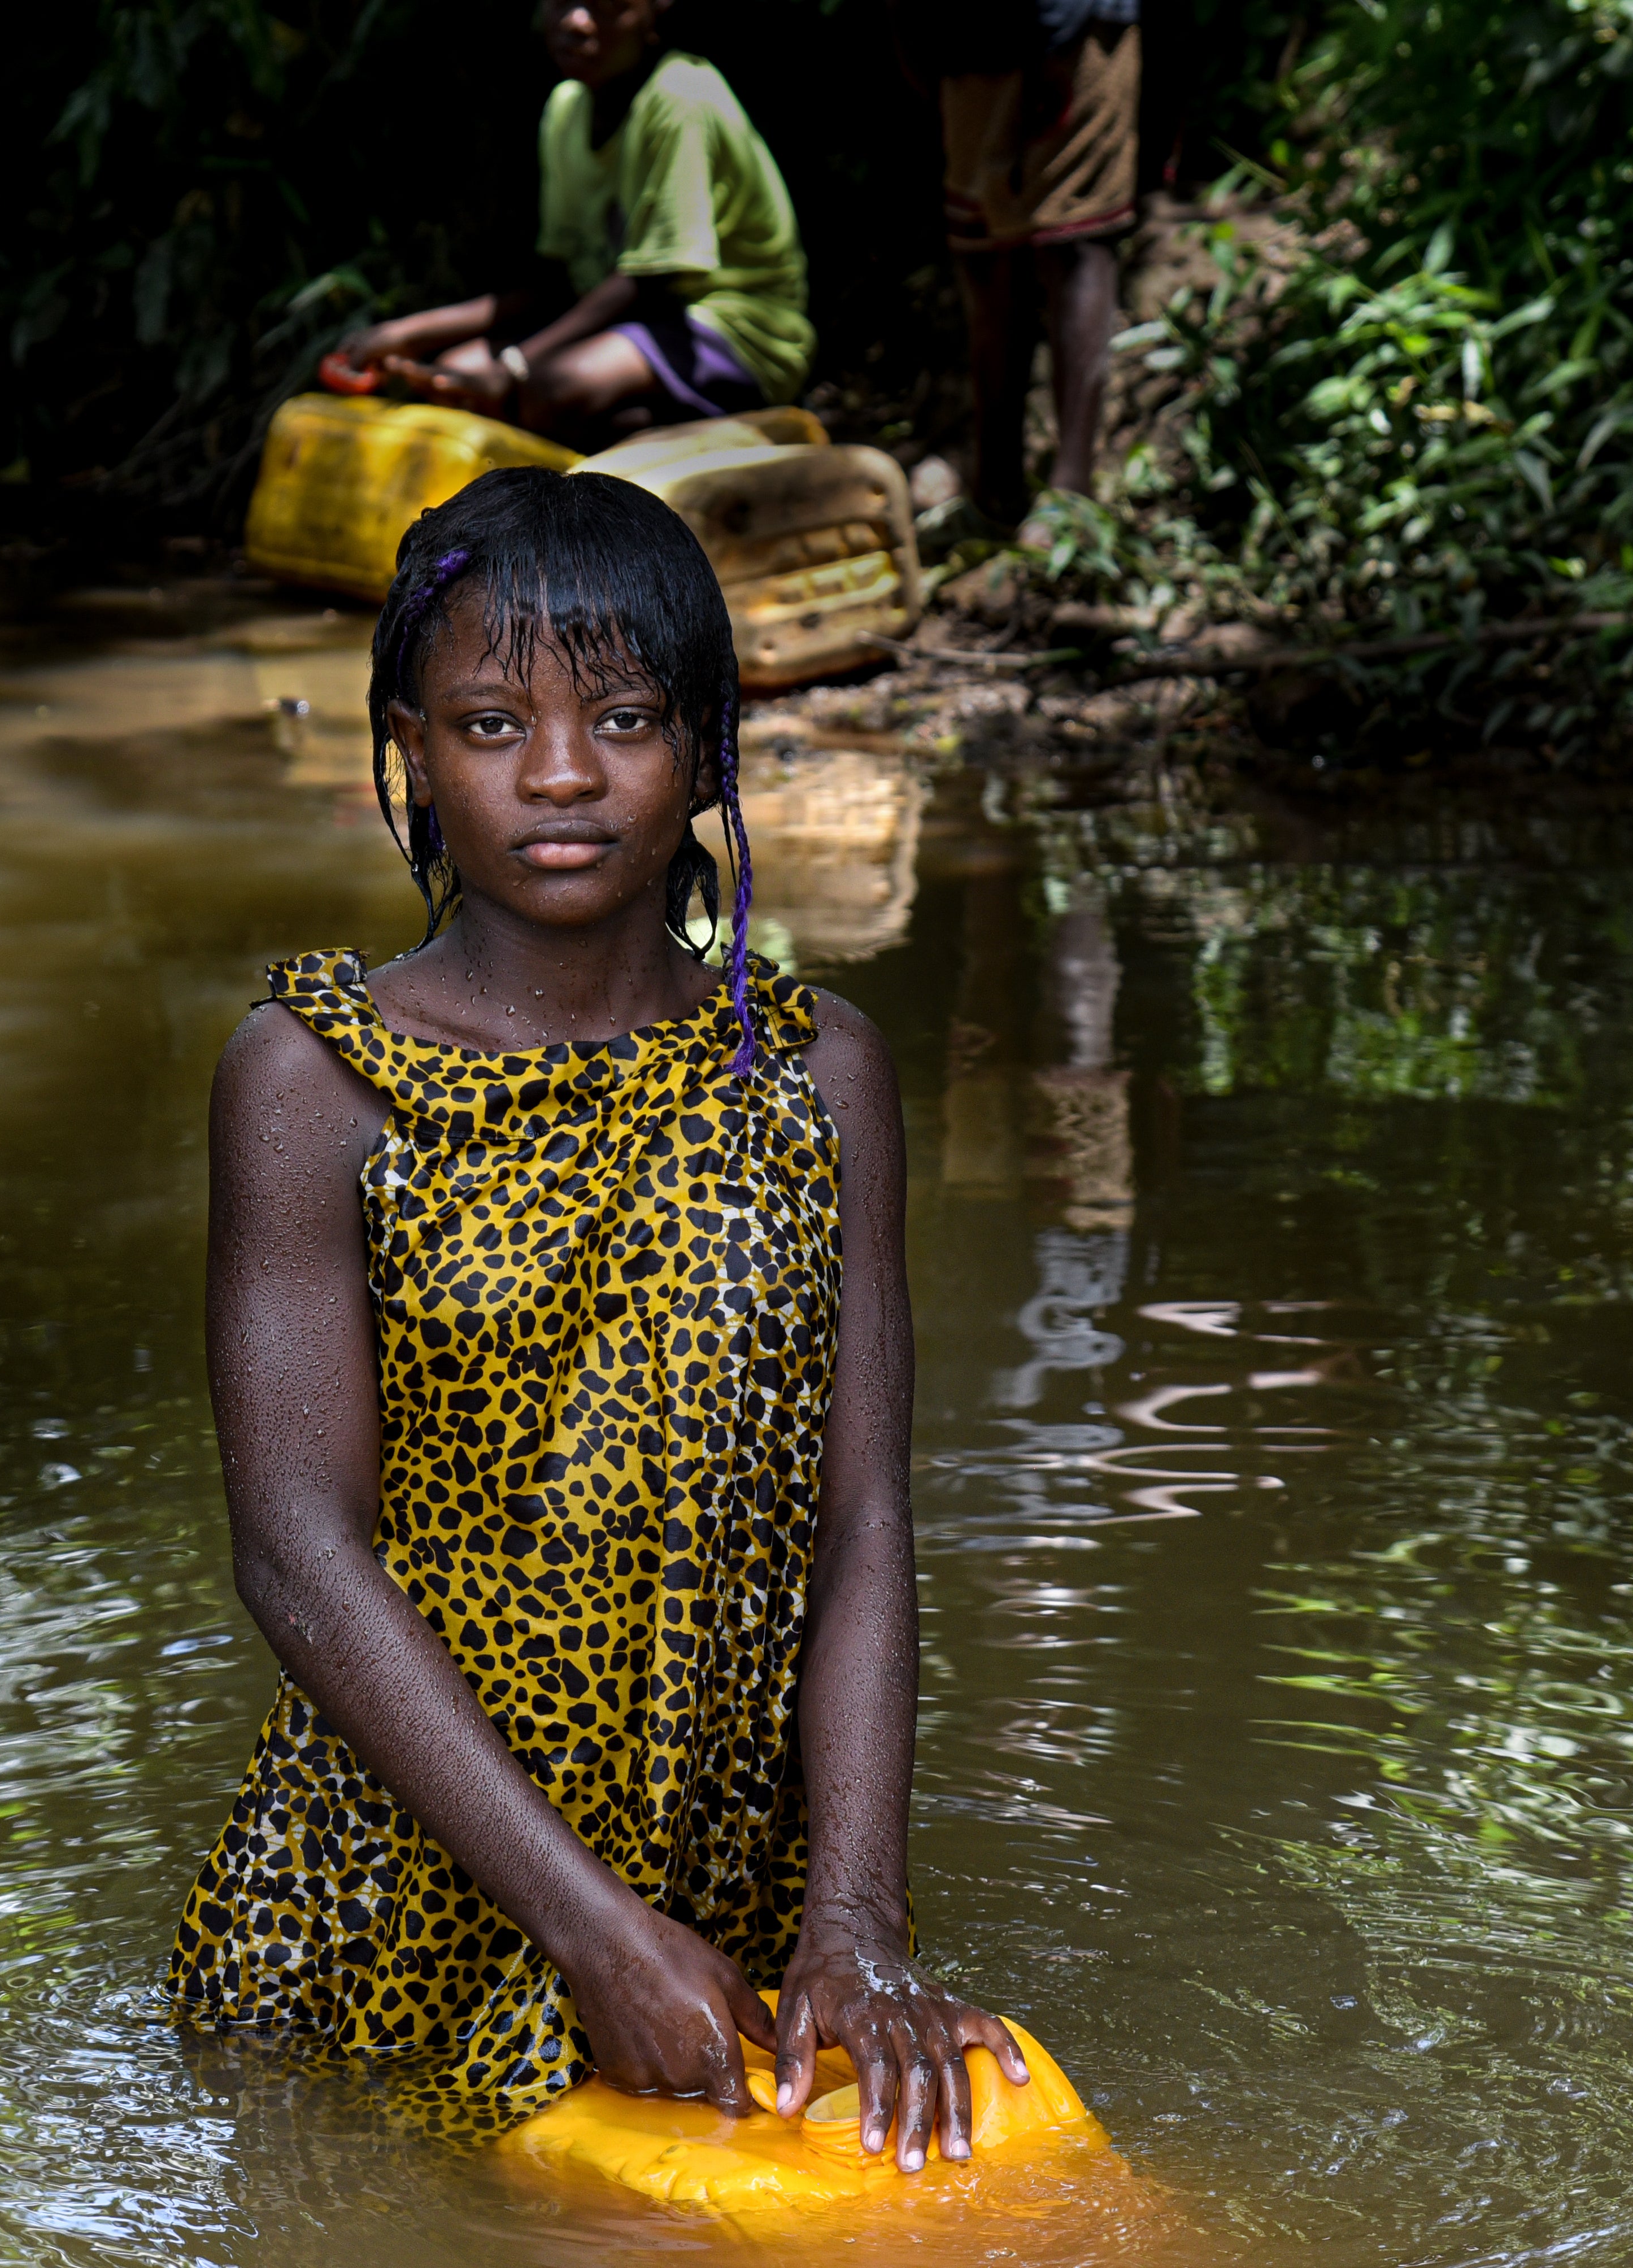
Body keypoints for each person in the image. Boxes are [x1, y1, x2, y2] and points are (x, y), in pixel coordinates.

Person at [161, 466, 1032, 2165]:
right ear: (411, 747)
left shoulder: (817, 1076)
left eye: (624, 714)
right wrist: (588, 1929)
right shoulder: (314, 1082)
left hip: (727, 1907)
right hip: (389, 1920)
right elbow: (293, 1553)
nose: (560, 776)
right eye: (491, 723)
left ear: (710, 745)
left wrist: (853, 1925)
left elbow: (861, 1526)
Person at [340, 0, 812, 447]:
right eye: (561, 1)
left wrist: (514, 368)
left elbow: (654, 278)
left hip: (731, 329)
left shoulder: (679, 99)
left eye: (605, 5)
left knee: (550, 393)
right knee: (457, 374)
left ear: (654, 8)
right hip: (636, 321)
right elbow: (559, 280)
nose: (577, 22)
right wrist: (414, 333)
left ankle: (726, 445)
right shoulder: (567, 108)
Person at [897, 0, 1141, 537]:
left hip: (1074, 25)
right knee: (985, 250)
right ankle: (994, 484)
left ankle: (1072, 491)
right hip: (966, 34)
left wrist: (1056, 37)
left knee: (1074, 239)